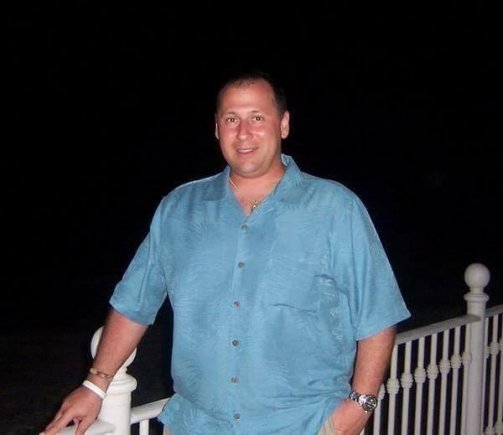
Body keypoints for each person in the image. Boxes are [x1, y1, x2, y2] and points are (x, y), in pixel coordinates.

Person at [42, 70, 410, 435]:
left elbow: (377, 313)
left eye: (257, 117)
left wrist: (360, 406)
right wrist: (95, 384)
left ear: (283, 124)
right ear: (217, 129)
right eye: (231, 119)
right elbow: (134, 304)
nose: (243, 132)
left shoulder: (335, 208)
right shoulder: (179, 209)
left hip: (305, 424)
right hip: (196, 425)